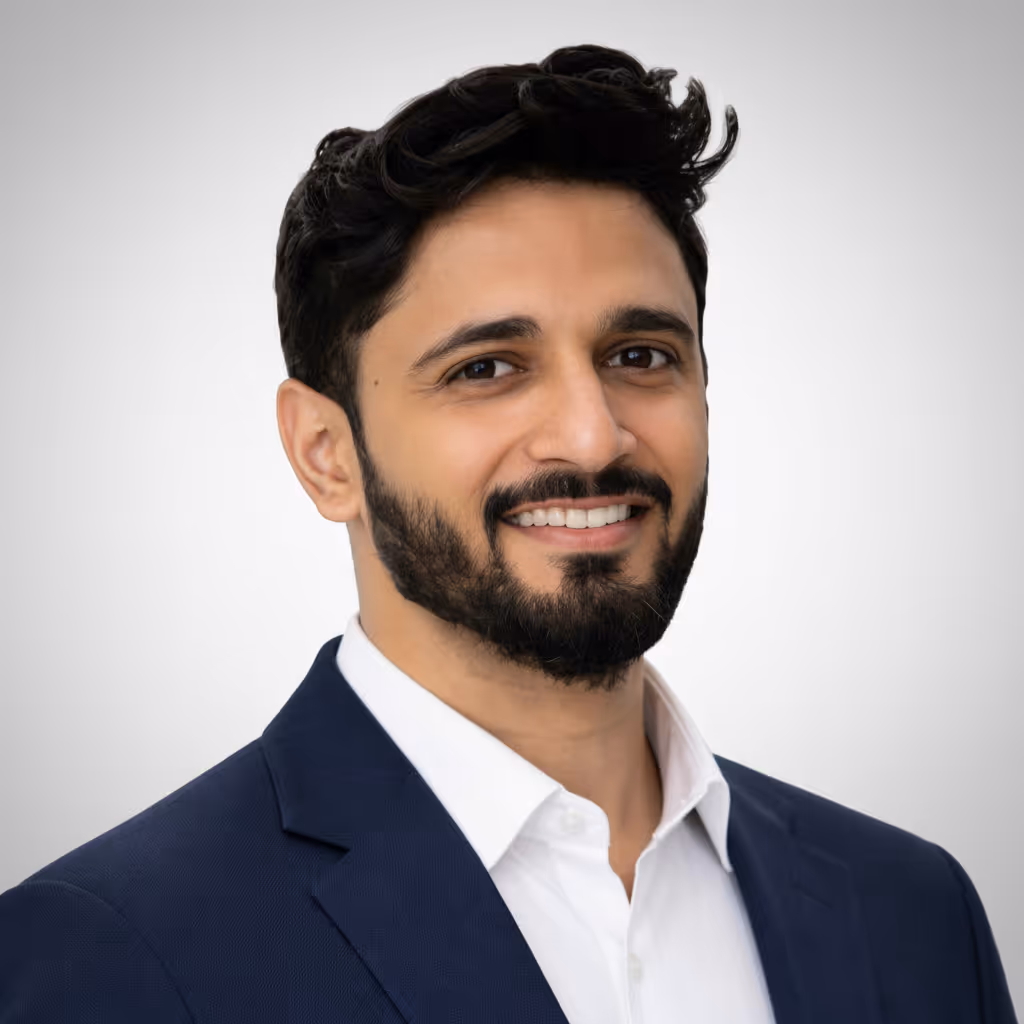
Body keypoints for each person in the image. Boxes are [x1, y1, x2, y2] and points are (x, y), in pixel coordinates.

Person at [0, 43, 1015, 1024]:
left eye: (639, 353)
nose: (593, 433)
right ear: (325, 452)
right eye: (487, 367)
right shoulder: (115, 950)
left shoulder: (912, 913)